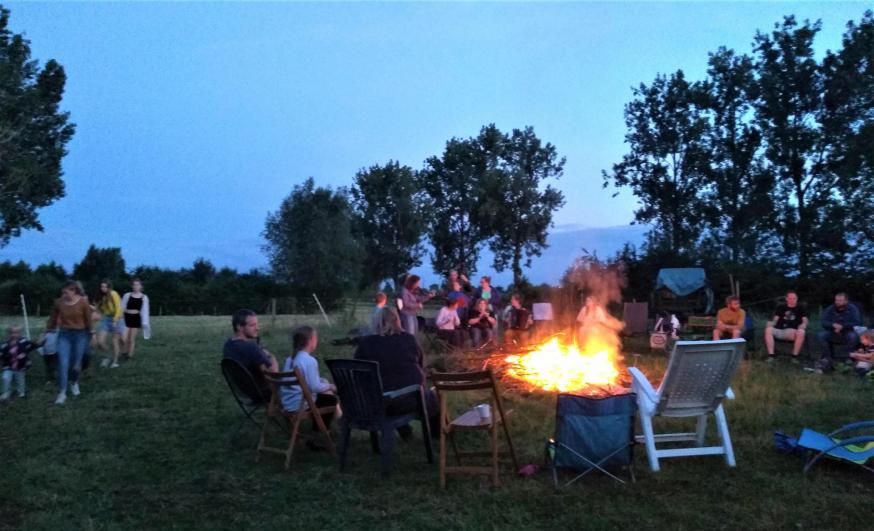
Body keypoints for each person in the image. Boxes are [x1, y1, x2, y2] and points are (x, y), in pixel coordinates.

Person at [354, 308, 439, 437]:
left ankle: (404, 429)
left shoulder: (365, 343)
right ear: (397, 321)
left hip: (376, 402)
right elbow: (421, 365)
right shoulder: (408, 339)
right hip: (409, 400)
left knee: (392, 389)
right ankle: (437, 435)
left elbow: (358, 374)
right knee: (433, 396)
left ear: (376, 322)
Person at [281, 326, 338, 435]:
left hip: (287, 402)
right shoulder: (309, 360)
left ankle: (338, 418)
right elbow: (315, 387)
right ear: (311, 340)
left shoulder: (290, 359)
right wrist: (331, 387)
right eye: (316, 338)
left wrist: (323, 382)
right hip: (300, 404)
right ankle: (319, 434)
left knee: (324, 389)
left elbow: (304, 380)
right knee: (330, 400)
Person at [46, 280, 93, 405]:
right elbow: (53, 317)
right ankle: (62, 392)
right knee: (63, 362)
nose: (64, 295)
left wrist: (91, 333)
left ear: (74, 290)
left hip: (80, 335)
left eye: (66, 292)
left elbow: (88, 319)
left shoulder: (83, 302)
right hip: (64, 335)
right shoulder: (59, 302)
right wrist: (49, 328)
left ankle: (74, 382)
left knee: (76, 364)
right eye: (63, 292)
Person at [222, 309, 279, 399]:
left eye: (257, 324)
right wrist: (272, 357)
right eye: (252, 325)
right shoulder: (251, 347)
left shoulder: (228, 345)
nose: (257, 328)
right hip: (263, 393)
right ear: (239, 327)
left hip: (244, 393)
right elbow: (273, 374)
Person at [816, 292, 862, 373]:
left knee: (853, 336)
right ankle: (827, 358)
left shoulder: (852, 309)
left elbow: (857, 322)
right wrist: (833, 325)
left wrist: (843, 326)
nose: (837, 302)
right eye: (836, 300)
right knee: (821, 335)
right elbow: (824, 322)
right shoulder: (831, 308)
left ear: (846, 301)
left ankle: (849, 359)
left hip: (847, 332)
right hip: (833, 332)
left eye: (840, 300)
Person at [764, 291, 808, 361]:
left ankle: (794, 357)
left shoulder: (800, 308)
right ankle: (771, 355)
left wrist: (803, 325)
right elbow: (775, 320)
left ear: (797, 299)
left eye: (794, 298)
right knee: (768, 329)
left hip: (793, 332)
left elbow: (805, 320)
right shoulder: (781, 307)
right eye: (790, 298)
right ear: (786, 299)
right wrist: (771, 323)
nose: (792, 300)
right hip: (780, 330)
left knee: (801, 332)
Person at [0, 325, 41, 400]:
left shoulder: (24, 341)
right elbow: (1, 355)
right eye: (12, 333)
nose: (14, 334)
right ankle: (6, 392)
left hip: (20, 366)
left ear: (20, 333)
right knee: (5, 378)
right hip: (8, 367)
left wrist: (39, 342)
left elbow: (32, 345)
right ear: (9, 334)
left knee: (20, 380)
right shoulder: (5, 344)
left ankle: (21, 392)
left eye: (17, 332)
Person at [95, 280, 123, 368]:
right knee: (100, 342)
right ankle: (108, 356)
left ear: (109, 287)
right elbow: (100, 310)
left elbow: (119, 308)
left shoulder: (113, 294)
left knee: (115, 341)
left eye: (104, 286)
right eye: (101, 286)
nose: (102, 288)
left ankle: (115, 361)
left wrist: (115, 320)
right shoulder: (101, 296)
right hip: (106, 318)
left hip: (116, 318)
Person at [121, 279, 151, 359]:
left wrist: (145, 322)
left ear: (141, 286)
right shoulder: (127, 295)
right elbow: (122, 307)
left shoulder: (144, 297)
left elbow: (145, 311)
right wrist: (120, 317)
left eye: (137, 285)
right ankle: (124, 350)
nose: (135, 286)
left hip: (136, 319)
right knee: (123, 338)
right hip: (126, 318)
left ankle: (129, 355)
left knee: (132, 338)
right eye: (134, 285)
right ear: (132, 286)